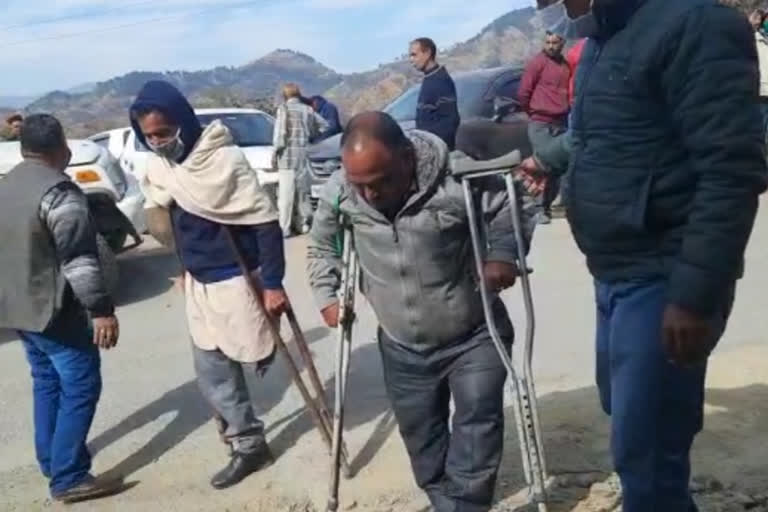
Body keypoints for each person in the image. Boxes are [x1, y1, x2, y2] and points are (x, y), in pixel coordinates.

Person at [521, 1, 768, 510]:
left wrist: (695, 296)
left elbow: (732, 171)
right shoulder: (601, 41)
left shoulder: (695, 26)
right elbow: (594, 134)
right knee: (626, 413)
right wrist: (544, 159)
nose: (554, 7)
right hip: (613, 272)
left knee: (648, 450)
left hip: (664, 272)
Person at [307, 112, 536, 512]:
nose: (370, 195)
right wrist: (327, 294)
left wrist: (503, 254)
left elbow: (514, 201)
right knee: (422, 439)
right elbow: (322, 244)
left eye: (380, 182)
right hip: (402, 345)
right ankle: (446, 500)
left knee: (478, 423)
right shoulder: (342, 190)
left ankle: (466, 505)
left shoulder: (454, 178)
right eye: (361, 185)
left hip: (474, 334)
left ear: (406, 158)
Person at [131, 80, 288, 490]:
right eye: (149, 136)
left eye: (163, 132)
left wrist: (272, 283)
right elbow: (172, 223)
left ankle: (247, 434)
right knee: (213, 369)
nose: (158, 142)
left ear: (181, 121)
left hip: (237, 276)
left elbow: (265, 222)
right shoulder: (162, 168)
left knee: (253, 352)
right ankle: (248, 444)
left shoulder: (224, 160)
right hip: (199, 281)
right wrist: (182, 265)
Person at [0, 114, 123, 503]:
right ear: (61, 148)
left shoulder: (7, 185)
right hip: (54, 309)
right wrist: (101, 309)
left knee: (46, 381)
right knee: (81, 383)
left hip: (16, 308)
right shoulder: (59, 193)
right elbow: (79, 260)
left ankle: (52, 461)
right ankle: (68, 476)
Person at [518, 31, 571, 224]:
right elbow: (524, 92)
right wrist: (533, 112)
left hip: (560, 121)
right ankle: (538, 209)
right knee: (541, 164)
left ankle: (557, 205)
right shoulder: (537, 63)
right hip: (540, 122)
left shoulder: (565, 66)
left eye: (554, 42)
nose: (550, 46)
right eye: (547, 42)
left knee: (560, 165)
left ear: (562, 43)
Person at [273, 83, 329, 237]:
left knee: (286, 196)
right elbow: (325, 125)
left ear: (285, 95)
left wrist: (275, 154)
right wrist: (313, 136)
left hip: (287, 157)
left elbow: (279, 137)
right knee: (302, 194)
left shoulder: (283, 110)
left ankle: (285, 228)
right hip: (304, 156)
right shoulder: (308, 110)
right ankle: (303, 224)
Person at [409, 37, 461, 151]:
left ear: (427, 53)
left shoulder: (441, 81)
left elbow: (449, 121)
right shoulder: (429, 78)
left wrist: (429, 145)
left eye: (414, 55)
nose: (411, 60)